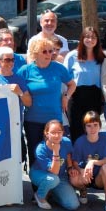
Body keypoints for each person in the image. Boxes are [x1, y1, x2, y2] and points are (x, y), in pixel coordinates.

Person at [18, 37, 76, 165]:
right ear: (35, 53)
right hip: (33, 120)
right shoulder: (25, 71)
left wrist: (66, 96)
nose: (49, 54)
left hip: (54, 120)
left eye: (51, 51)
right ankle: (37, 182)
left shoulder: (58, 68)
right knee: (34, 153)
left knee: (55, 152)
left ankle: (56, 179)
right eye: (44, 52)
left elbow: (72, 84)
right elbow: (12, 87)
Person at [64, 27, 106, 141]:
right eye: (87, 37)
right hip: (76, 98)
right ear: (82, 39)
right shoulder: (72, 56)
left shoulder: (102, 58)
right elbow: (64, 79)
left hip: (94, 99)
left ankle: (91, 158)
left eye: (93, 37)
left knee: (92, 132)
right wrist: (65, 98)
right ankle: (76, 159)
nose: (90, 40)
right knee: (76, 132)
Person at [29, 120, 80, 210]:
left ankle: (53, 193)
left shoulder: (66, 141)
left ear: (63, 132)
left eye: (59, 132)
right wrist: (56, 151)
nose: (56, 135)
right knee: (53, 179)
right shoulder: (40, 149)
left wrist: (70, 168)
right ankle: (39, 196)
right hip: (40, 174)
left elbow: (68, 154)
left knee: (73, 205)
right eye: (53, 133)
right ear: (46, 133)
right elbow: (54, 171)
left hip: (60, 176)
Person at [70, 112, 106, 211]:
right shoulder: (80, 141)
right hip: (85, 175)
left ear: (100, 126)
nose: (92, 129)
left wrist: (93, 162)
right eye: (89, 126)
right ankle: (83, 190)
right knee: (73, 177)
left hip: (99, 176)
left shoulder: (105, 137)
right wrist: (80, 170)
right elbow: (75, 162)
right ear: (85, 128)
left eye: (95, 125)